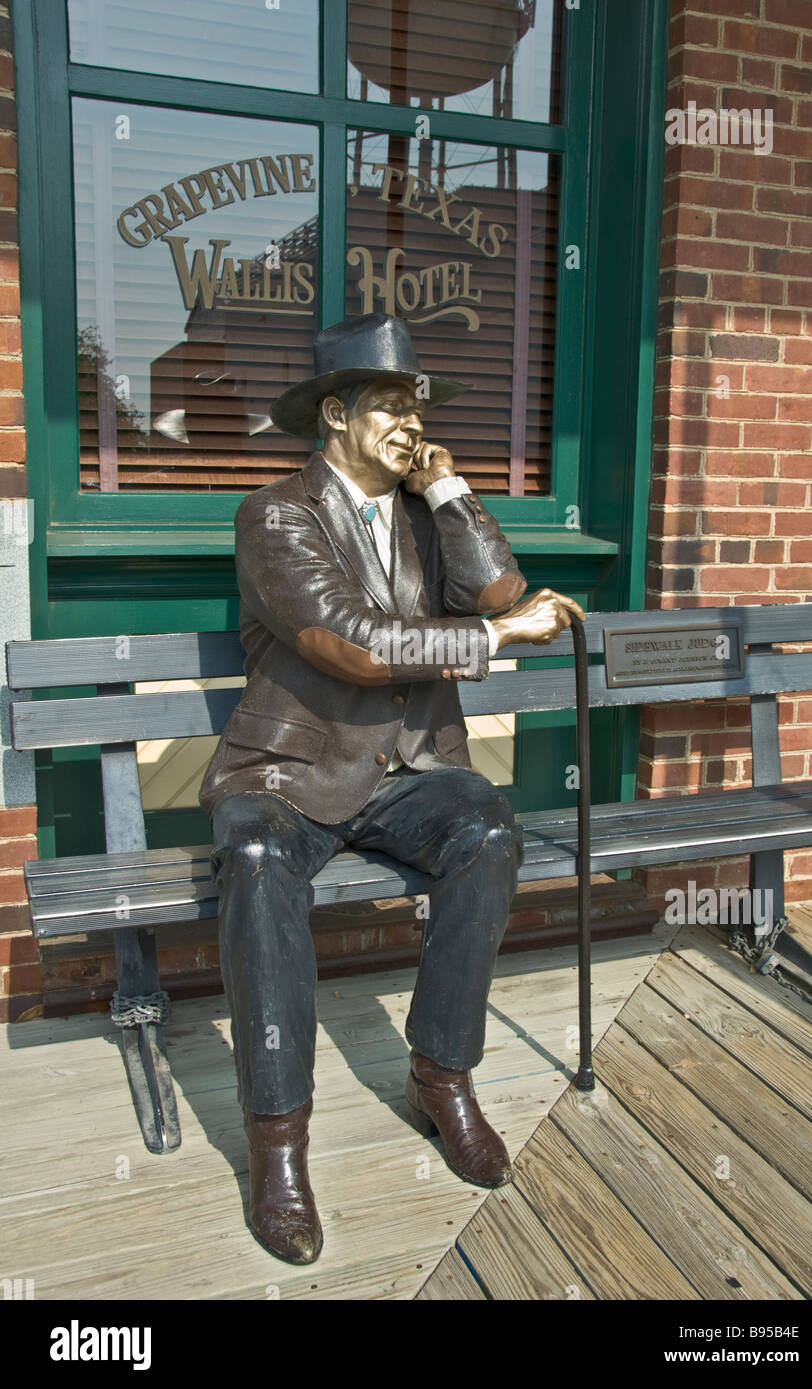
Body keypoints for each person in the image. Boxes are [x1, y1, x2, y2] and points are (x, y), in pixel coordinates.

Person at [198, 313, 585, 1264]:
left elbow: (499, 591)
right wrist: (497, 643)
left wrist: (449, 488)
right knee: (253, 856)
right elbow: (349, 644)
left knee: (488, 828)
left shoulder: (422, 512)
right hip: (288, 772)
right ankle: (277, 1143)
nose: (410, 421)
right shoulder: (276, 514)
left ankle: (441, 1078)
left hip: (405, 767)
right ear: (335, 414)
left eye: (418, 405)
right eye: (390, 405)